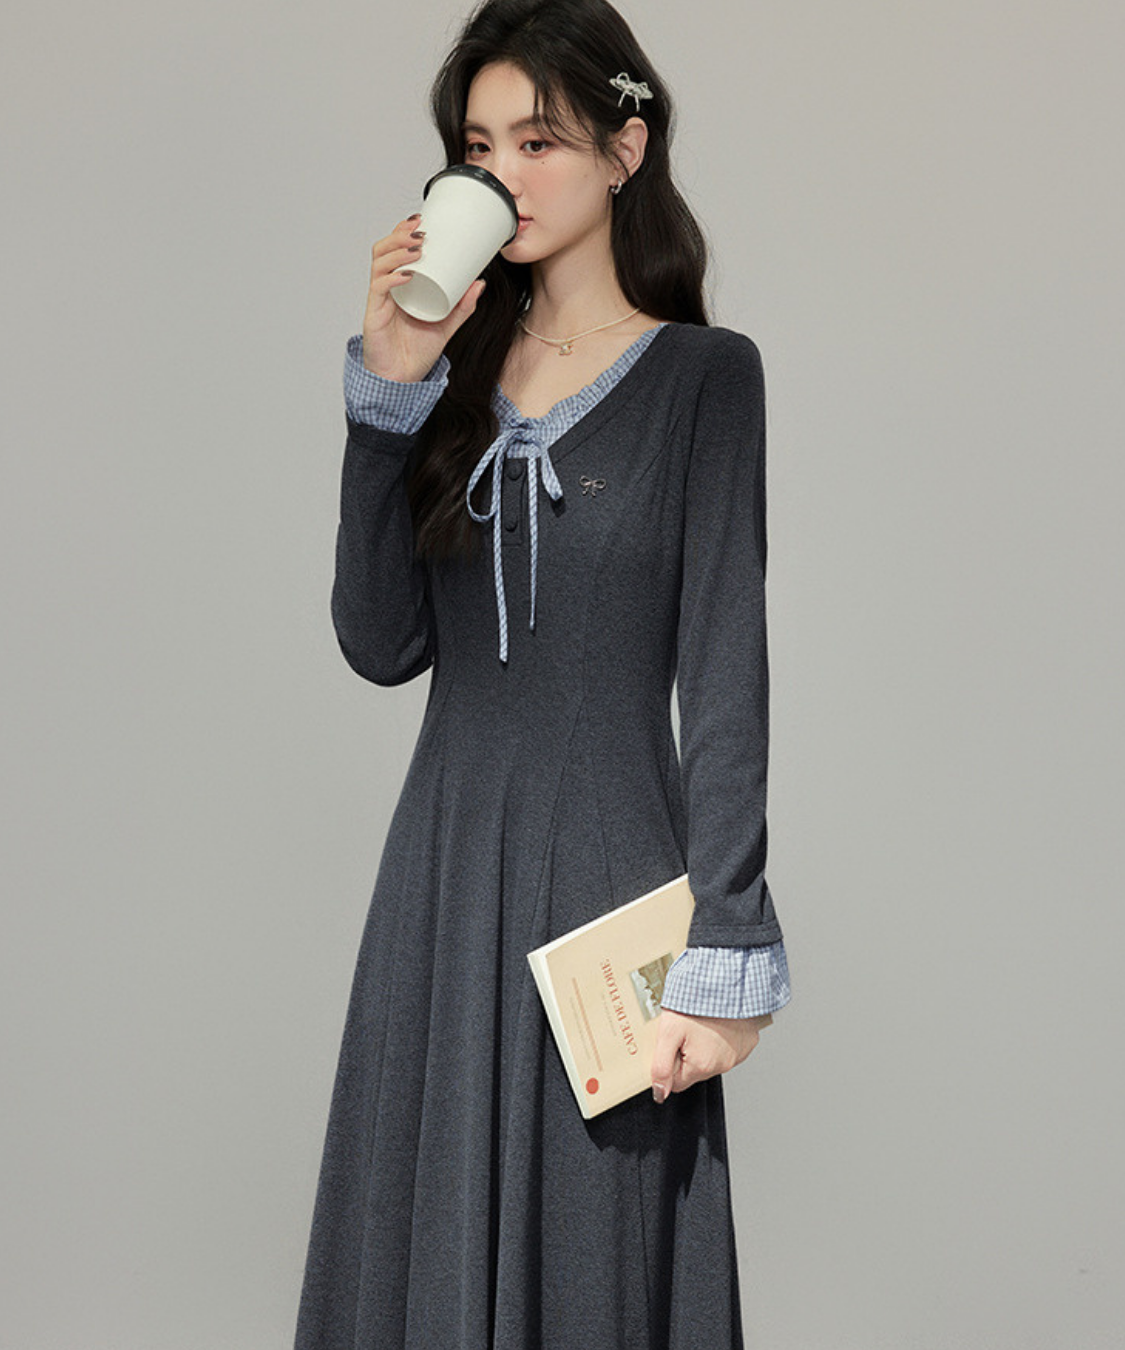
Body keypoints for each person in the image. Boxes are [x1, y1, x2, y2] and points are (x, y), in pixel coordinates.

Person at [294, 1, 791, 1345]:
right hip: (441, 882)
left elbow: (725, 680)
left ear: (626, 150)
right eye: (477, 146)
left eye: (538, 140)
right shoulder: (444, 375)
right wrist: (387, 394)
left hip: (612, 900)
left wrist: (725, 958)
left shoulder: (706, 381)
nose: (501, 174)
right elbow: (379, 642)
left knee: (593, 1270)